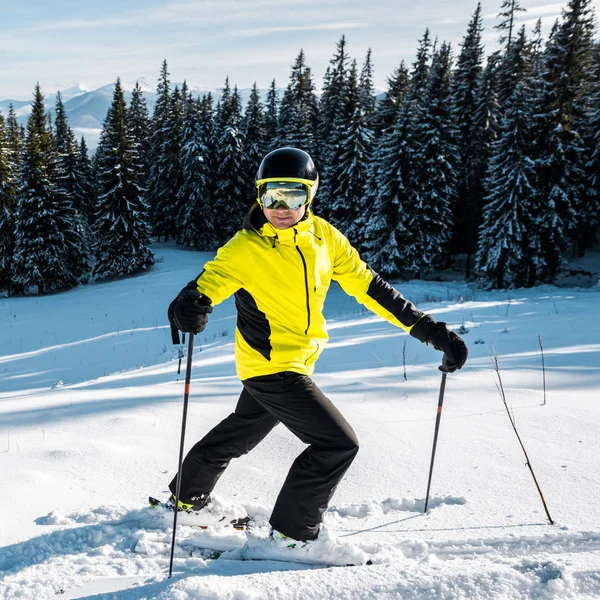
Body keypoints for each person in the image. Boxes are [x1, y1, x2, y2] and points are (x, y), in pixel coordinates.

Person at [167, 147, 468, 543]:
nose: (280, 207)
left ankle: (186, 500)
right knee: (336, 444)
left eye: (292, 195)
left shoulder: (324, 238)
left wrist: (429, 330)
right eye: (270, 195)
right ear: (259, 195)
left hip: (295, 363)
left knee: (238, 434)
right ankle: (293, 533)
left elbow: (370, 287)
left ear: (310, 195)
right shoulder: (247, 246)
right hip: (272, 367)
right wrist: (187, 305)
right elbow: (208, 283)